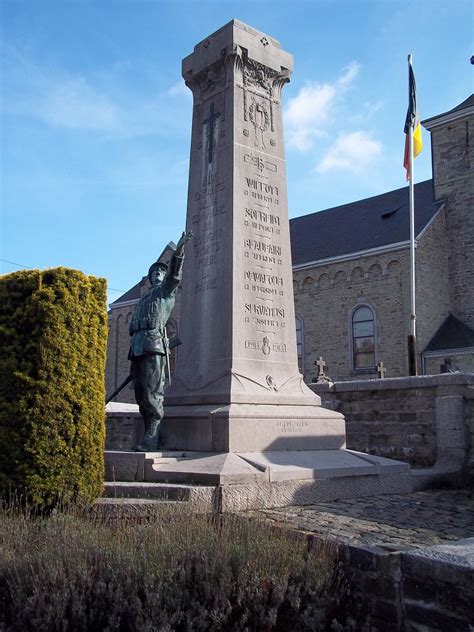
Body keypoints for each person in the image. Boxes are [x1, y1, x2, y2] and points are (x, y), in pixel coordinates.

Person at [128, 231, 192, 451]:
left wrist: (179, 253)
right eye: (154, 271)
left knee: (152, 392)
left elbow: (175, 276)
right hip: (137, 348)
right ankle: (147, 432)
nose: (157, 273)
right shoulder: (143, 298)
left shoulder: (166, 293)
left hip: (153, 346)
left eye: (160, 271)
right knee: (139, 393)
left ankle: (152, 437)